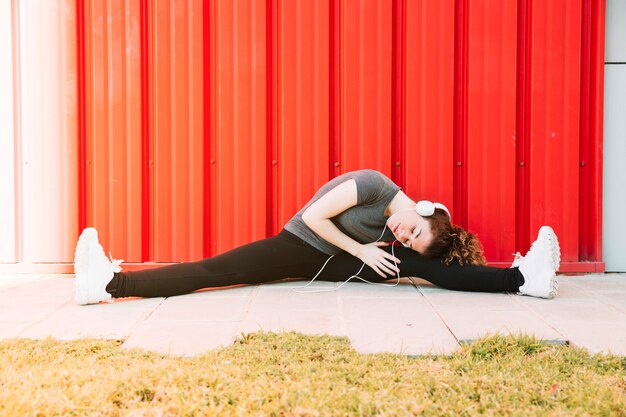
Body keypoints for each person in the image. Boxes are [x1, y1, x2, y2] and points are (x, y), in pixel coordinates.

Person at [74, 169, 559, 305]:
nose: (400, 233)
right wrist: (364, 250)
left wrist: (378, 255)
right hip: (301, 245)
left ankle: (520, 280)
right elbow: (314, 218)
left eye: (405, 238)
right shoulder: (372, 185)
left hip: (337, 261)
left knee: (422, 268)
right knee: (215, 270)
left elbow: (405, 249)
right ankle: (112, 284)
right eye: (410, 229)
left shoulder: (401, 237)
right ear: (423, 206)